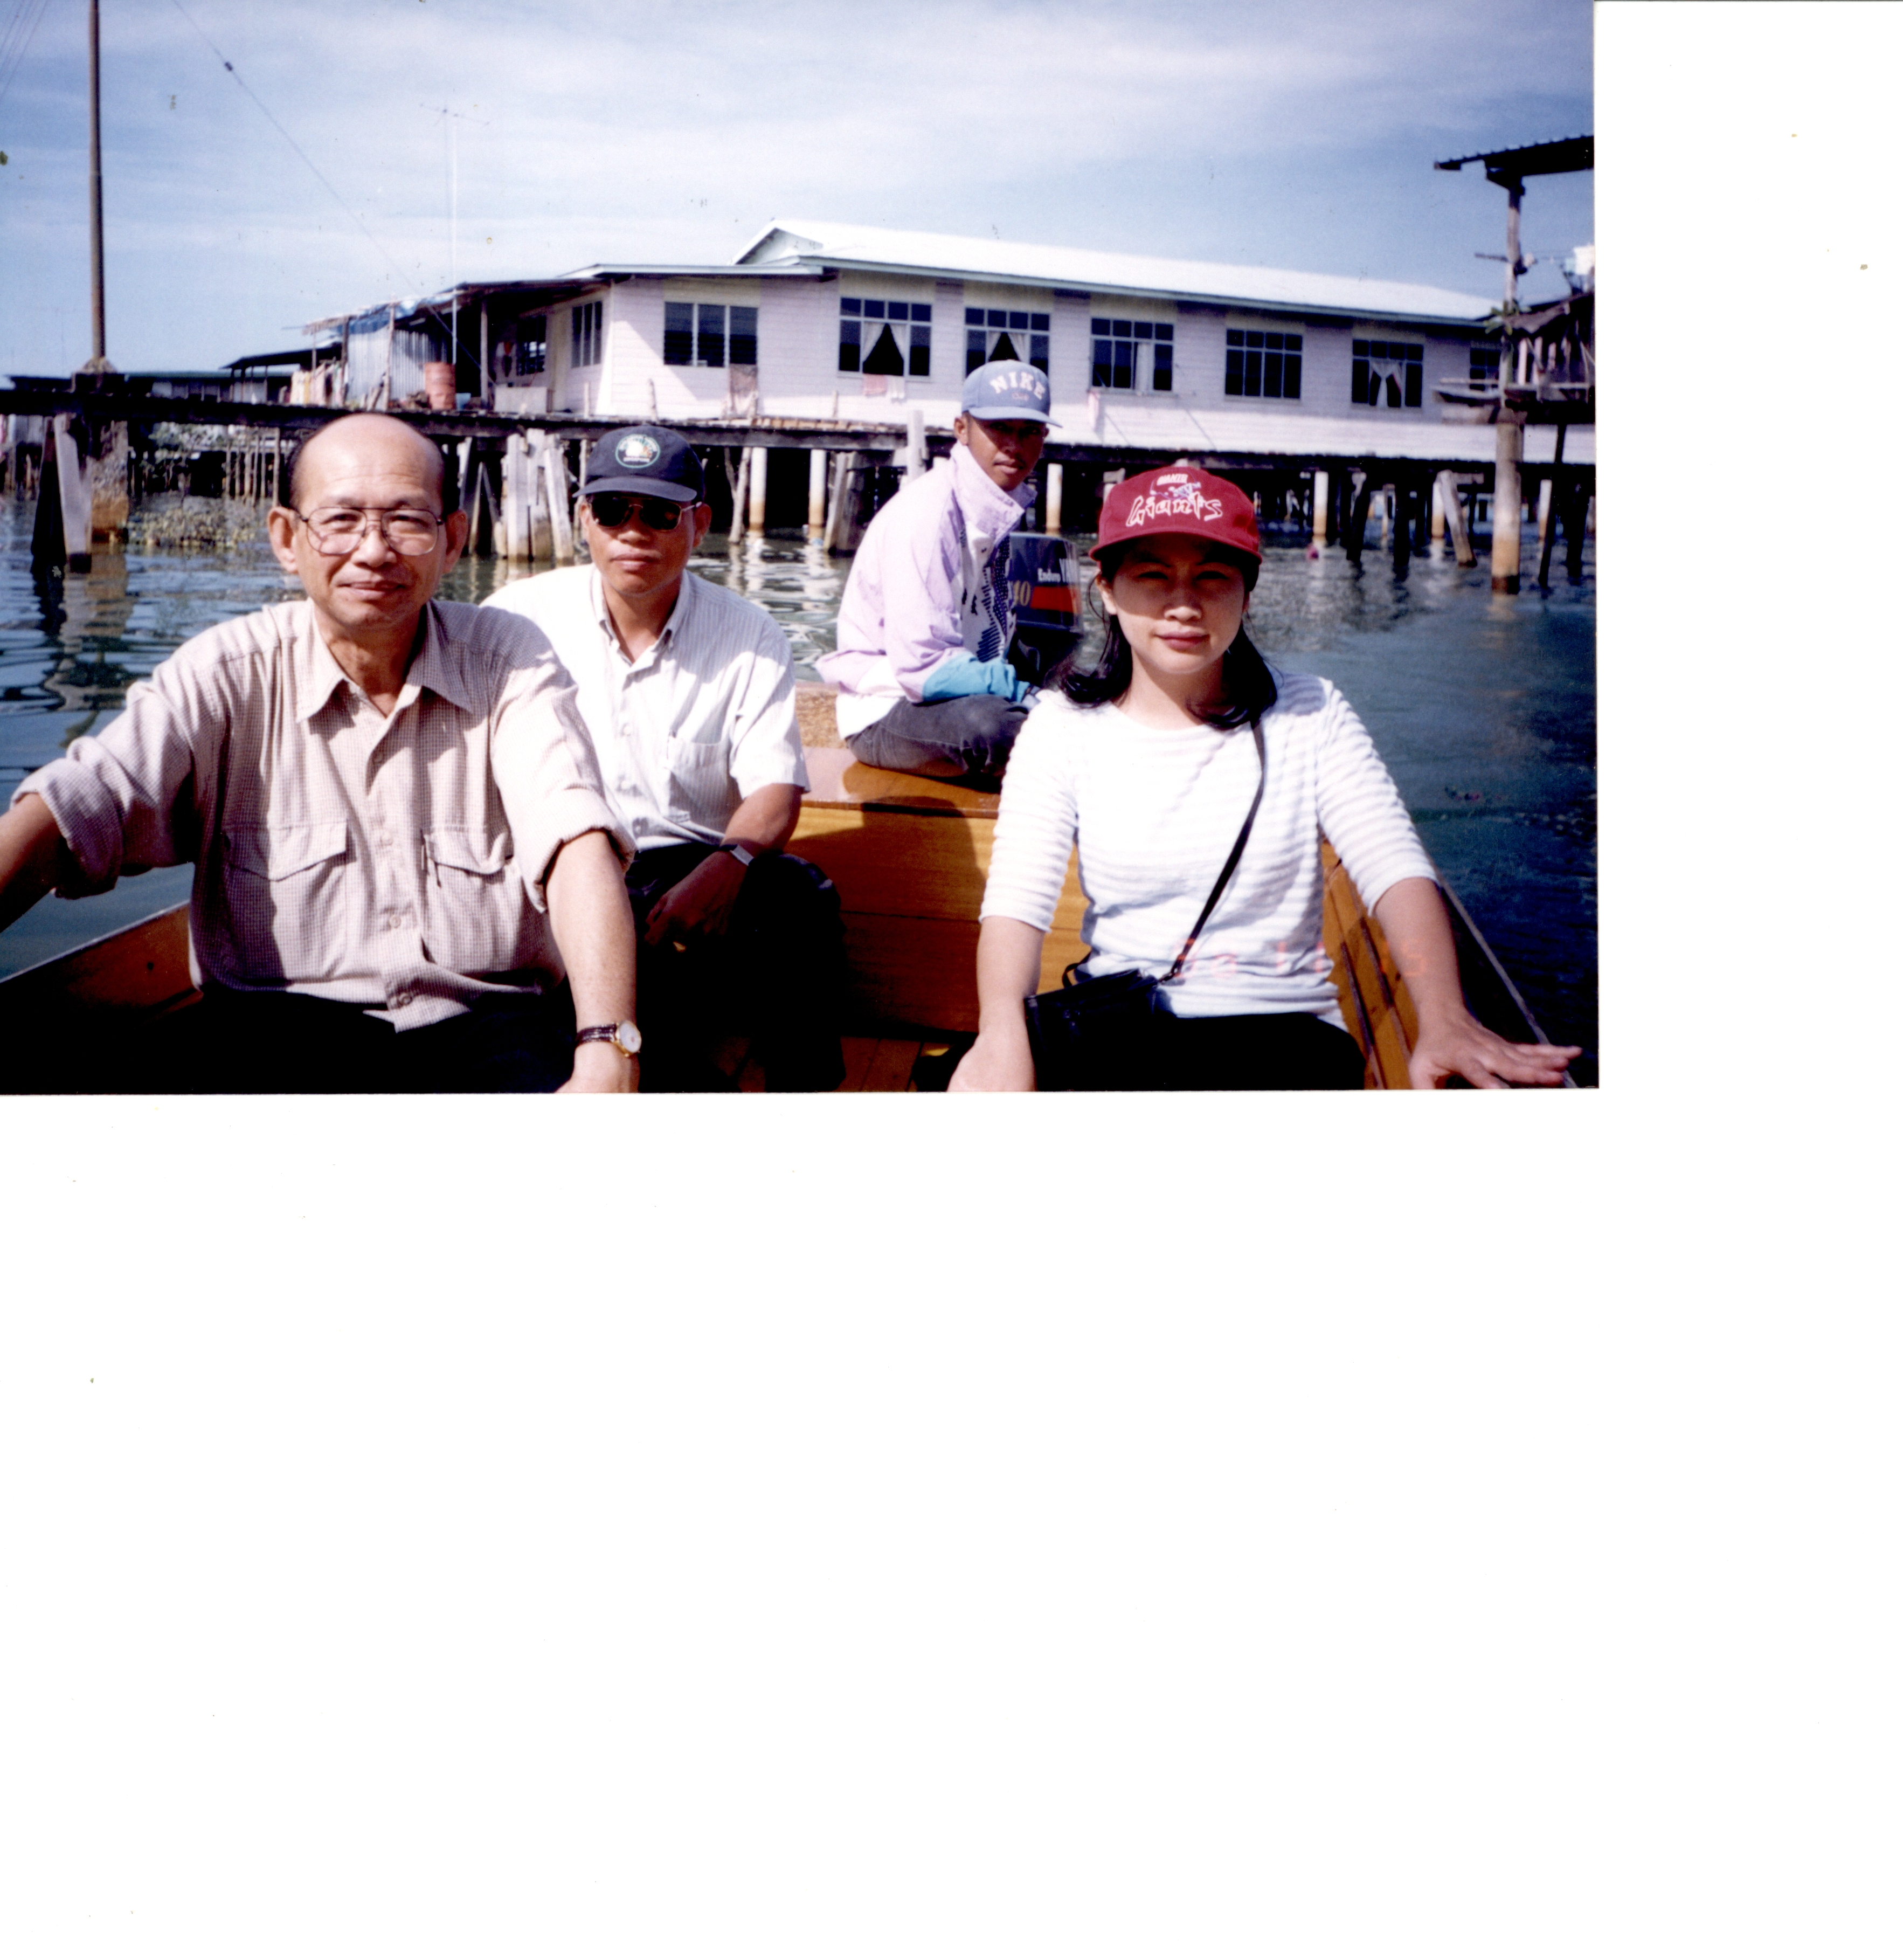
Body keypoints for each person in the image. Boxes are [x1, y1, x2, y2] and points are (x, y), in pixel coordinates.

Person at [0, 412, 640, 1094]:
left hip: (491, 1024)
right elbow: (78, 807)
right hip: (274, 1029)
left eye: (407, 521)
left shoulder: (508, 660)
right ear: (287, 538)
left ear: (452, 540)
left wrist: (609, 1046)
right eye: (341, 520)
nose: (374, 551)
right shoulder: (227, 673)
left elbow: (574, 841)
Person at [949, 465, 1582, 1092]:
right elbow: (1017, 904)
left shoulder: (1313, 712)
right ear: (1108, 590)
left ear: (1247, 594)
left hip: (1283, 1039)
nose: (1183, 605)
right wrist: (1000, 1034)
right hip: (1120, 1027)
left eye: (1212, 577)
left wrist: (1444, 1017)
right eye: (1152, 576)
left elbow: (1393, 868)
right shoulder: (1061, 725)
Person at [483, 426, 844, 1092]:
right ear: (584, 519)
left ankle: (809, 1104)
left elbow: (775, 790)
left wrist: (729, 865)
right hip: (560, 870)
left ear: (699, 524)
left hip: (689, 870)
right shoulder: (516, 620)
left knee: (800, 898)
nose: (634, 531)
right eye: (613, 510)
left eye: (659, 513)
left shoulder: (749, 634)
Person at [819, 359, 1053, 782]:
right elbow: (923, 669)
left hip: (959, 687)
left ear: (1044, 437)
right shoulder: (927, 514)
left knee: (1079, 705)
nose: (1013, 445)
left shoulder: (997, 506)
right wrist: (1027, 694)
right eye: (998, 428)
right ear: (961, 429)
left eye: (1029, 431)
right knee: (997, 730)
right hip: (886, 709)